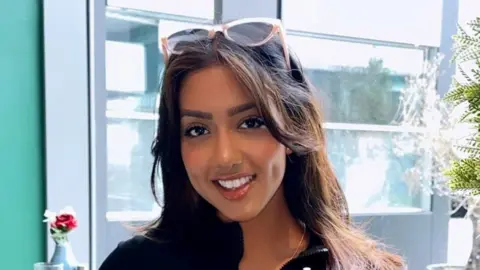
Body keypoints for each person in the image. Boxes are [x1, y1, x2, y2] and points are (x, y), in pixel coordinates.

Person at [99, 18, 405, 270]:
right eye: (197, 130)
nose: (225, 156)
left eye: (251, 123)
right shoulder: (135, 264)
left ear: (291, 125)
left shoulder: (365, 267)